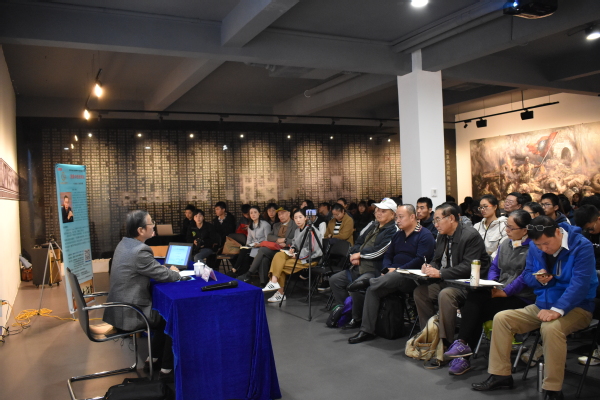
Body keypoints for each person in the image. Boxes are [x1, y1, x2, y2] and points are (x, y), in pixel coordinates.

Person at [472, 216, 598, 399]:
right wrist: (538, 279)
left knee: (551, 327)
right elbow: (527, 277)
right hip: (543, 305)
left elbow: (580, 285)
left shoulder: (581, 246)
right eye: (539, 245)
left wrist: (557, 309)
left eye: (546, 243)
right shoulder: (535, 247)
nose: (543, 249)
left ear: (557, 232)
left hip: (577, 307)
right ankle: (501, 375)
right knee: (502, 318)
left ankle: (553, 389)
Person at [444, 210, 535, 375]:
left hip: (521, 296)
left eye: (512, 228)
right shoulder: (506, 244)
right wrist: (492, 284)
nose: (507, 230)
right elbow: (495, 267)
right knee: (474, 298)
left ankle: (463, 354)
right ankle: (462, 345)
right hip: (500, 290)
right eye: (507, 226)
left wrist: (505, 292)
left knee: (476, 311)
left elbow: (525, 277)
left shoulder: (534, 248)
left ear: (524, 230)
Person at [103, 210, 181, 381]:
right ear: (140, 230)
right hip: (131, 312)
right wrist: (176, 273)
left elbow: (148, 269)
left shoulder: (124, 244)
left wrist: (160, 269)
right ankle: (167, 370)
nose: (154, 226)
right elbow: (165, 275)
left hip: (118, 308)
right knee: (171, 316)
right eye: (151, 223)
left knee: (162, 313)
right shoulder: (140, 250)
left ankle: (153, 358)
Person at [347, 204, 435, 343]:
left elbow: (419, 259)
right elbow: (388, 255)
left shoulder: (425, 235)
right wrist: (387, 269)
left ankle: (369, 281)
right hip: (392, 275)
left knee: (395, 275)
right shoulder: (398, 235)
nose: (397, 220)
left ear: (412, 217)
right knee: (373, 290)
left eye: (401, 217)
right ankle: (366, 330)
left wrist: (398, 269)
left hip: (412, 277)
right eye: (397, 217)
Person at [414, 202, 490, 352]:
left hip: (466, 284)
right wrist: (429, 267)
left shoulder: (470, 236)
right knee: (420, 293)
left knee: (446, 295)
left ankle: (446, 343)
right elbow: (437, 260)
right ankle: (429, 335)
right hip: (448, 280)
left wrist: (440, 273)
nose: (435, 225)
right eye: (434, 221)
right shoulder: (442, 236)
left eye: (438, 220)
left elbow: (468, 266)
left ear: (451, 218)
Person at [328, 198, 398, 328]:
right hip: (357, 266)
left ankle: (357, 318)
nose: (378, 213)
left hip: (374, 269)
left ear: (393, 214)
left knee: (356, 286)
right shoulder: (373, 225)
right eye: (377, 210)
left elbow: (380, 251)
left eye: (383, 211)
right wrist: (354, 254)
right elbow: (358, 241)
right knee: (335, 280)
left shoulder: (393, 230)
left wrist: (360, 255)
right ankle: (346, 311)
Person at [262, 209, 323, 302]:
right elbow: (294, 243)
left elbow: (312, 249)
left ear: (305, 218)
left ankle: (280, 292)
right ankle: (273, 281)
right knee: (279, 255)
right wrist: (293, 248)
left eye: (300, 217)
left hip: (309, 258)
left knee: (280, 266)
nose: (298, 220)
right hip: (298, 255)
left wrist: (297, 255)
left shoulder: (311, 230)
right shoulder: (297, 230)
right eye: (295, 218)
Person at [237, 206, 297, 284]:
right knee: (262, 255)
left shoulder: (295, 225)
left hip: (287, 250)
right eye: (279, 214)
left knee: (263, 253)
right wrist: (277, 239)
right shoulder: (276, 225)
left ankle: (249, 274)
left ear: (289, 214)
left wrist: (285, 240)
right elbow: (269, 237)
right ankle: (263, 283)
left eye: (283, 213)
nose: (280, 216)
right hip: (276, 249)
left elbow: (297, 239)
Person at [229, 206, 271, 278]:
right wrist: (248, 246)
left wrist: (259, 244)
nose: (253, 214)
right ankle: (241, 274)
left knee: (245, 253)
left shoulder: (265, 225)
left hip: (262, 247)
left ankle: (235, 270)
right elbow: (249, 239)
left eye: (255, 212)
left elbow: (268, 239)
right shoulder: (250, 226)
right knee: (244, 251)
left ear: (259, 213)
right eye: (251, 213)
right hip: (253, 246)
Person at [473, 195, 508, 259]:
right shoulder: (477, 226)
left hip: (495, 261)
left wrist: (488, 260)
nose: (482, 209)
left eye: (485, 206)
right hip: (477, 260)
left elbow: (502, 248)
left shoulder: (503, 226)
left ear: (495, 207)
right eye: (481, 207)